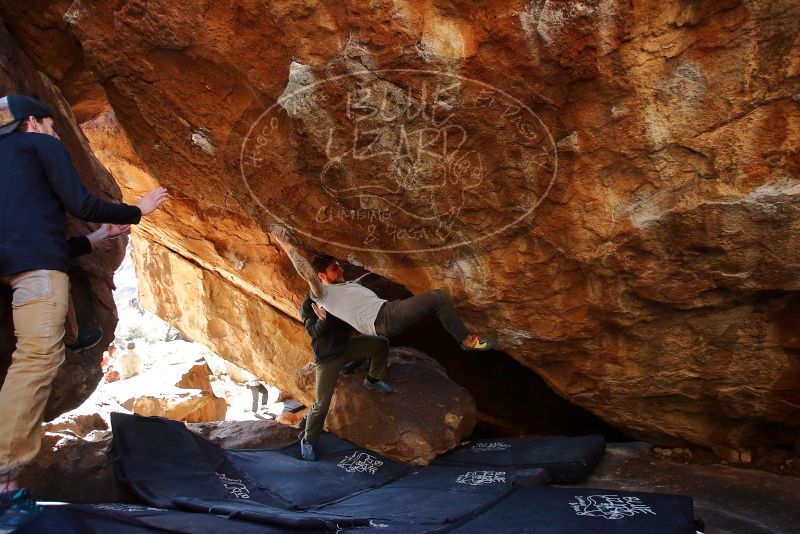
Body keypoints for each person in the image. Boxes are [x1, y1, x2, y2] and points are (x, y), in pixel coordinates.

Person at [0, 94, 168, 529]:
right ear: (33, 123)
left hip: (14, 262)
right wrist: (137, 210)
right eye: (53, 126)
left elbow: (23, 228)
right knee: (37, 356)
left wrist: (94, 240)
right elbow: (82, 204)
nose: (56, 133)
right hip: (36, 273)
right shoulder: (40, 145)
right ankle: (3, 482)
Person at [270, 224, 496, 352]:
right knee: (438, 298)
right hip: (384, 320)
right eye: (333, 269)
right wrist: (286, 244)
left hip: (388, 312)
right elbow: (308, 275)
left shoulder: (345, 286)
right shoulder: (323, 295)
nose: (340, 270)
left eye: (338, 265)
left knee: (425, 298)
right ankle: (466, 341)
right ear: (322, 276)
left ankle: (463, 339)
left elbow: (367, 282)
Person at [298, 293, 392, 461]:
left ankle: (373, 379)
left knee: (380, 343)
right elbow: (313, 332)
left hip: (346, 347)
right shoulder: (308, 304)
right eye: (334, 269)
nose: (340, 271)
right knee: (322, 403)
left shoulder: (339, 294)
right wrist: (322, 319)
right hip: (328, 358)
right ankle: (308, 440)